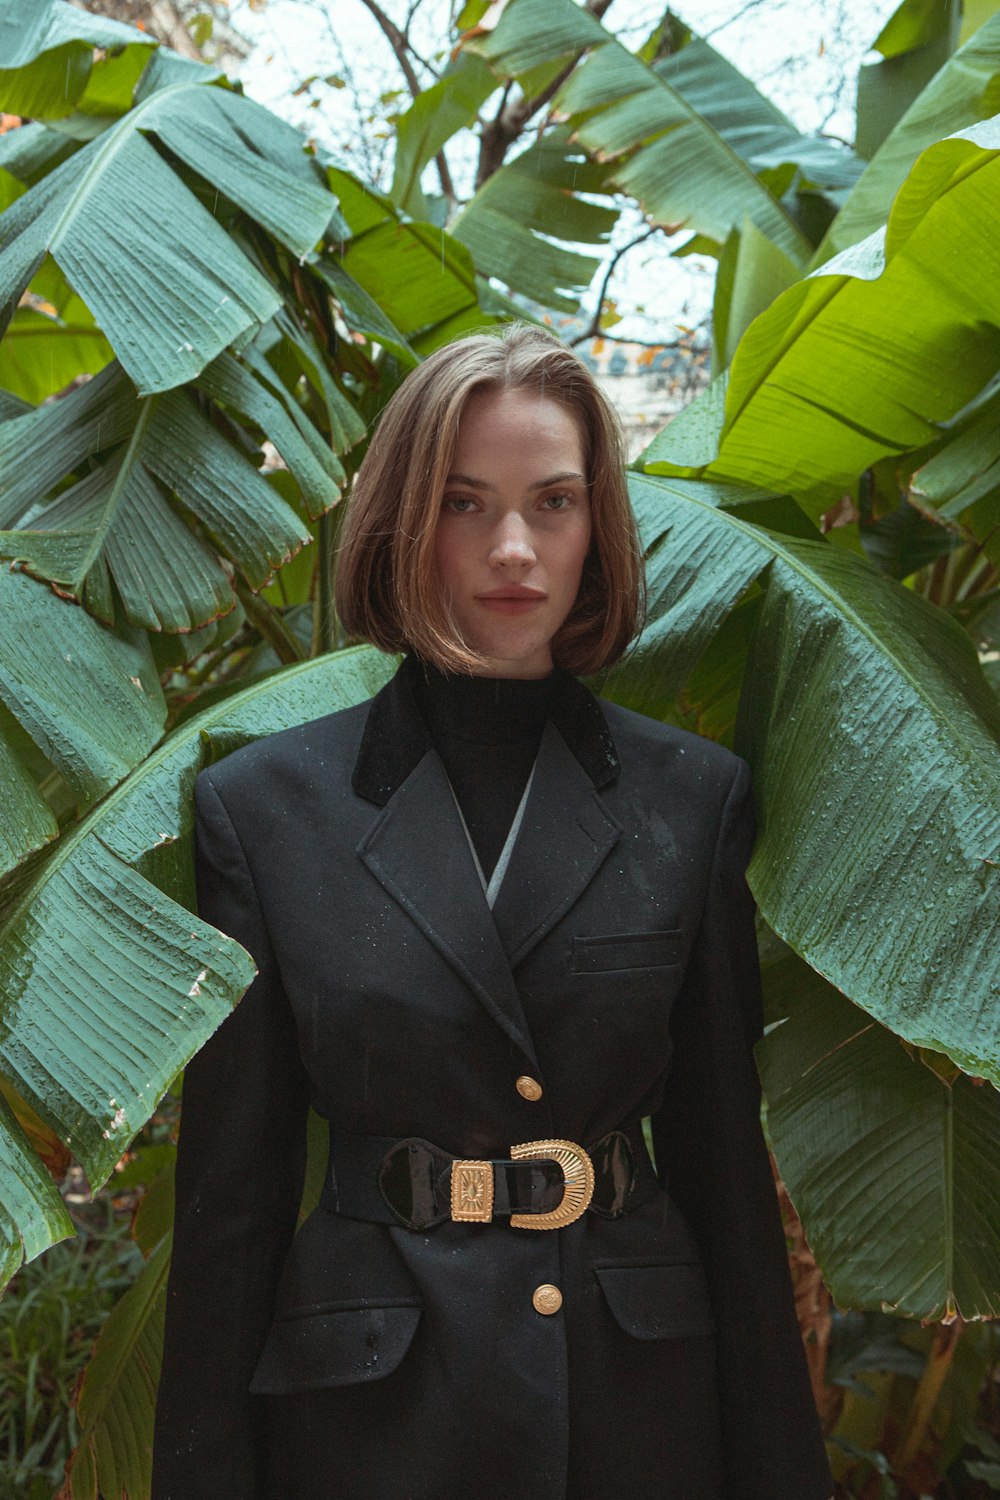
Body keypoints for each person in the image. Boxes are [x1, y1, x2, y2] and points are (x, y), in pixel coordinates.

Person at [153, 324, 832, 1499]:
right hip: (371, 1412)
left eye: (553, 502)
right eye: (464, 505)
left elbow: (725, 1175)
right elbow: (232, 1208)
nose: (514, 548)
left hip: (633, 1406)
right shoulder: (262, 811)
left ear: (596, 525)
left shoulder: (693, 798)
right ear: (403, 522)